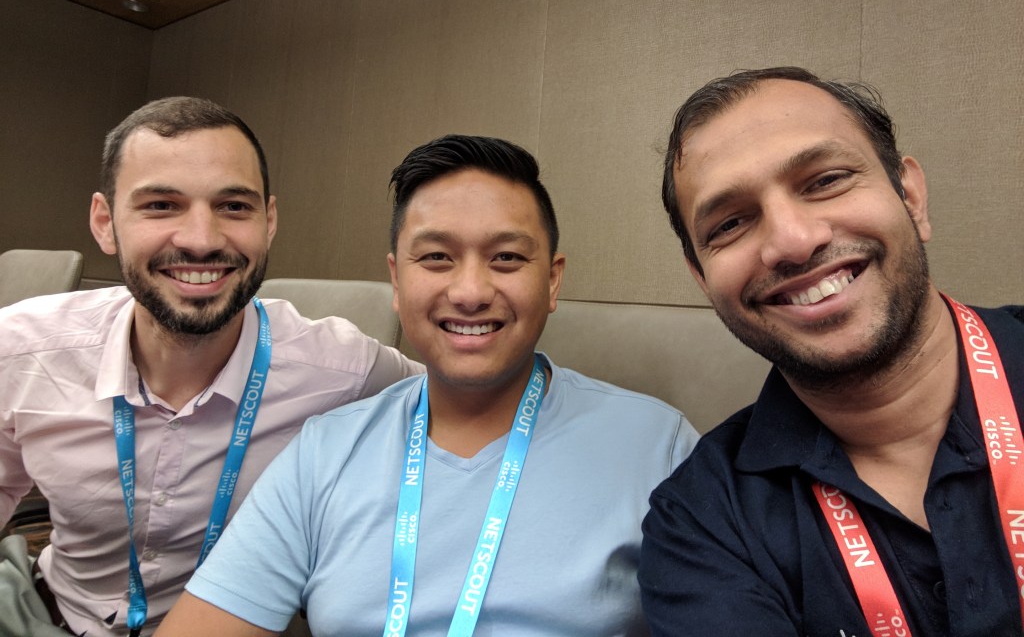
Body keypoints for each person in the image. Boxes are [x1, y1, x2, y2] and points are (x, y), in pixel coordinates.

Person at [155, 134, 699, 637]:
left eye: (506, 258)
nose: (469, 292)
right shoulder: (324, 453)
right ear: (396, 280)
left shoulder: (657, 446)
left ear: (552, 280)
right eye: (437, 257)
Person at [0, 97, 423, 636]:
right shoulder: (21, 351)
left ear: (269, 221)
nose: (201, 239)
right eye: (161, 205)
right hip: (49, 613)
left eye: (234, 207)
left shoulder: (345, 369)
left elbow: (472, 407)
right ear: (105, 223)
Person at [639, 66, 1024, 636]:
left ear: (911, 197)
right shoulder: (700, 523)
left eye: (825, 180)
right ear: (702, 278)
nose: (793, 242)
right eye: (731, 223)